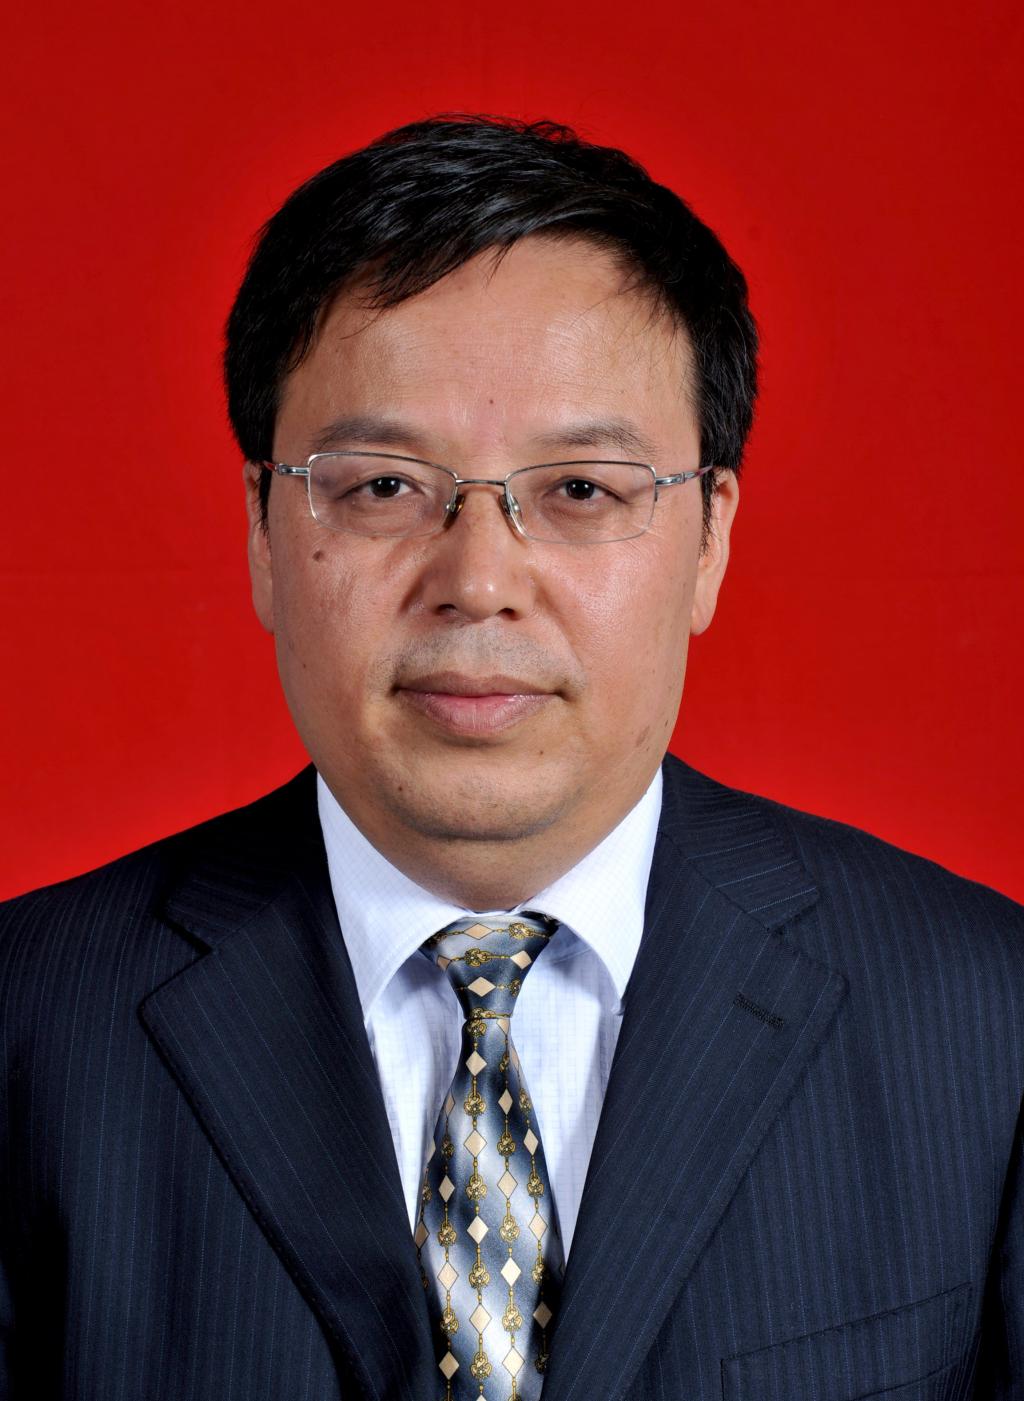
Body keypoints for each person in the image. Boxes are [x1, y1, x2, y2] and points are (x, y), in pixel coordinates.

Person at [0, 114, 1021, 1401]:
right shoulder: (30, 1029)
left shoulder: (987, 1024)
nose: (478, 580)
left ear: (709, 539)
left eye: (581, 490)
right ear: (263, 530)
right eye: (382, 487)